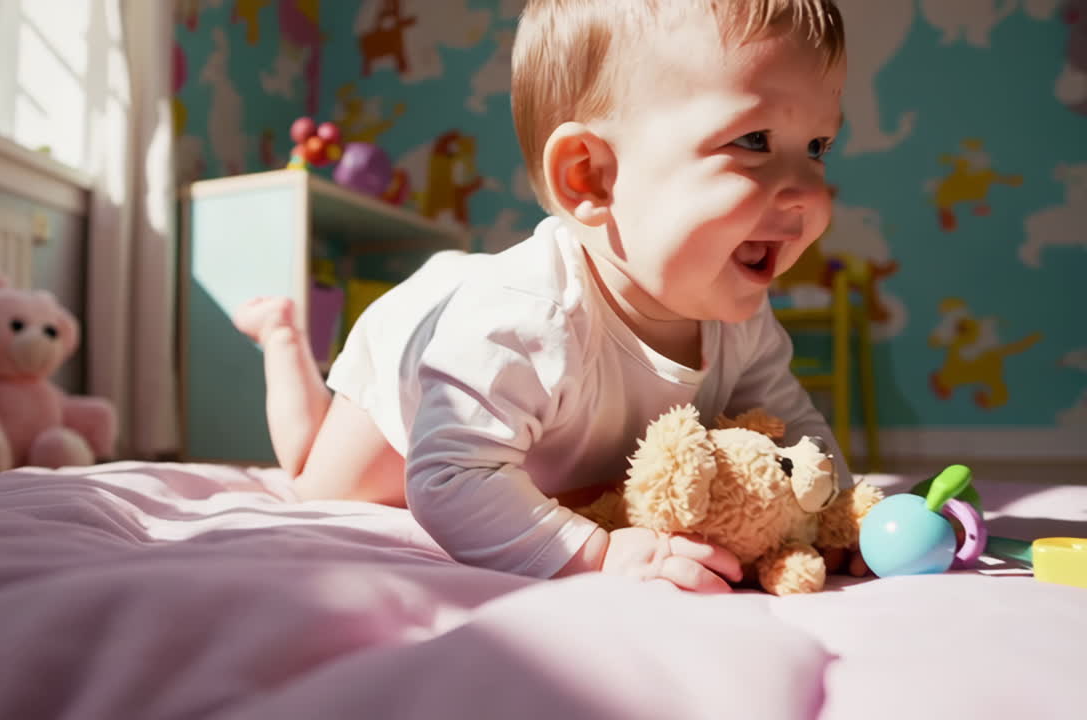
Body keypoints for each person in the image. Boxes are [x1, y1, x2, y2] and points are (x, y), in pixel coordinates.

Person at [234, 0, 849, 592]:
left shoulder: (740, 317)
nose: (807, 194)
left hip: (498, 359)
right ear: (591, 176)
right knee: (316, 481)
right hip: (421, 354)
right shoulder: (527, 319)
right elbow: (450, 475)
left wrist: (840, 514)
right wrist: (597, 553)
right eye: (755, 142)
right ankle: (282, 339)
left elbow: (794, 428)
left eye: (818, 148)